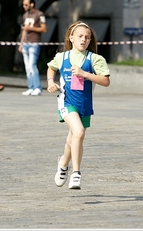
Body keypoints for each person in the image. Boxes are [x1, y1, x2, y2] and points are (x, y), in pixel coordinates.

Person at [46, 21, 110, 189]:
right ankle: (76, 173)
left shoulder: (95, 59)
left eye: (87, 37)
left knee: (73, 139)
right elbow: (51, 68)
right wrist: (50, 82)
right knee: (79, 132)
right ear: (71, 37)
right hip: (66, 102)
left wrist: (85, 74)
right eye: (80, 36)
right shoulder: (62, 57)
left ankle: (62, 164)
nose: (83, 40)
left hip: (85, 105)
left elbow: (105, 81)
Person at [18, 0, 47, 96]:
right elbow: (24, 31)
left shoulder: (39, 14)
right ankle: (31, 87)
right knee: (27, 67)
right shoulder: (25, 15)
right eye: (23, 5)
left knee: (32, 65)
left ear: (32, 4)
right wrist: (21, 44)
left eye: (26, 4)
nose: (24, 6)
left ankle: (38, 87)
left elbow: (44, 29)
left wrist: (30, 28)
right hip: (25, 43)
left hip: (34, 43)